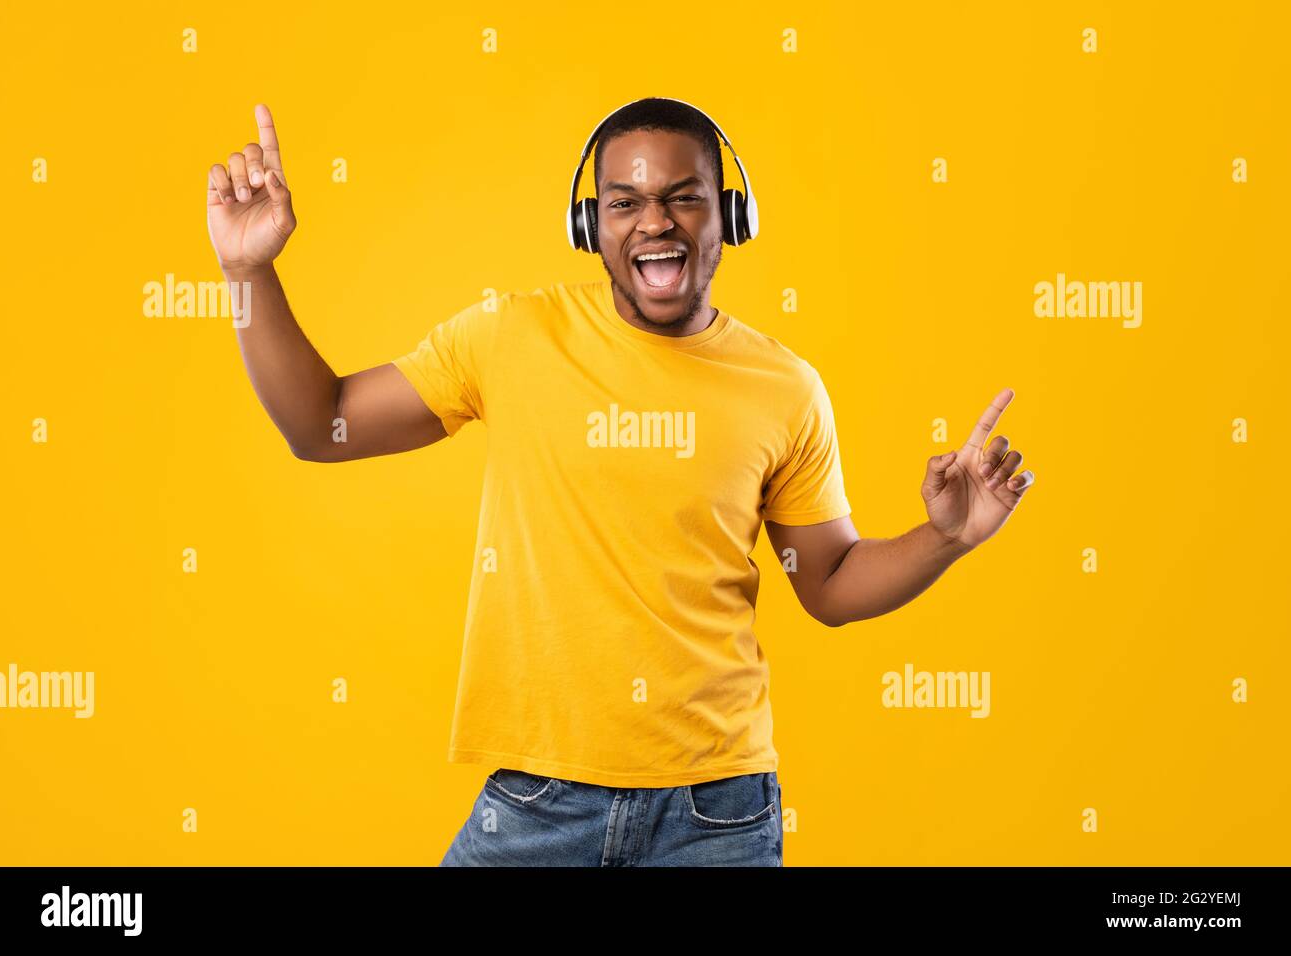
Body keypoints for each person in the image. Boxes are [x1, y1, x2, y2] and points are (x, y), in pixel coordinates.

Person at [204, 97, 1036, 867]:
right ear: (589, 221)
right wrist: (249, 276)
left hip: (717, 815)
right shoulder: (509, 338)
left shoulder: (786, 389)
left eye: (684, 197)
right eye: (625, 202)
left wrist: (948, 536)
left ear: (730, 216)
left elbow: (826, 583)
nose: (655, 223)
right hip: (536, 803)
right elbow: (323, 425)